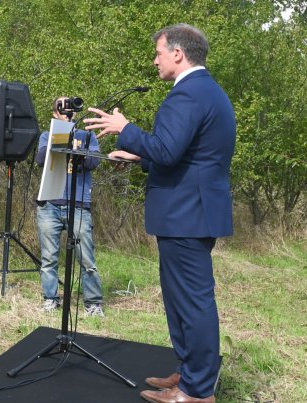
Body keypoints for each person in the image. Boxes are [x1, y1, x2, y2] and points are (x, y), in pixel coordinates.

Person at [84, 24, 234, 403]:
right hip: (192, 211)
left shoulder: (187, 95)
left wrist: (125, 129)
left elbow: (167, 152)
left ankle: (198, 391)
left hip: (187, 214)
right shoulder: (207, 92)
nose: (155, 60)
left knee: (193, 302)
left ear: (179, 54)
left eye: (159, 52)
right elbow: (182, 153)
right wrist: (139, 155)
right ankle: (188, 374)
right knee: (182, 299)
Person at [34, 96, 104, 315]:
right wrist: (62, 134)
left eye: (69, 107)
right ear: (55, 113)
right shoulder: (48, 135)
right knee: (49, 257)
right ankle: (51, 298)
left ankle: (93, 303)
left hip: (79, 203)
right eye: (61, 108)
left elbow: (94, 161)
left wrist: (77, 147)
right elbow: (42, 158)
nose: (67, 111)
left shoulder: (87, 135)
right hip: (51, 204)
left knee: (86, 257)